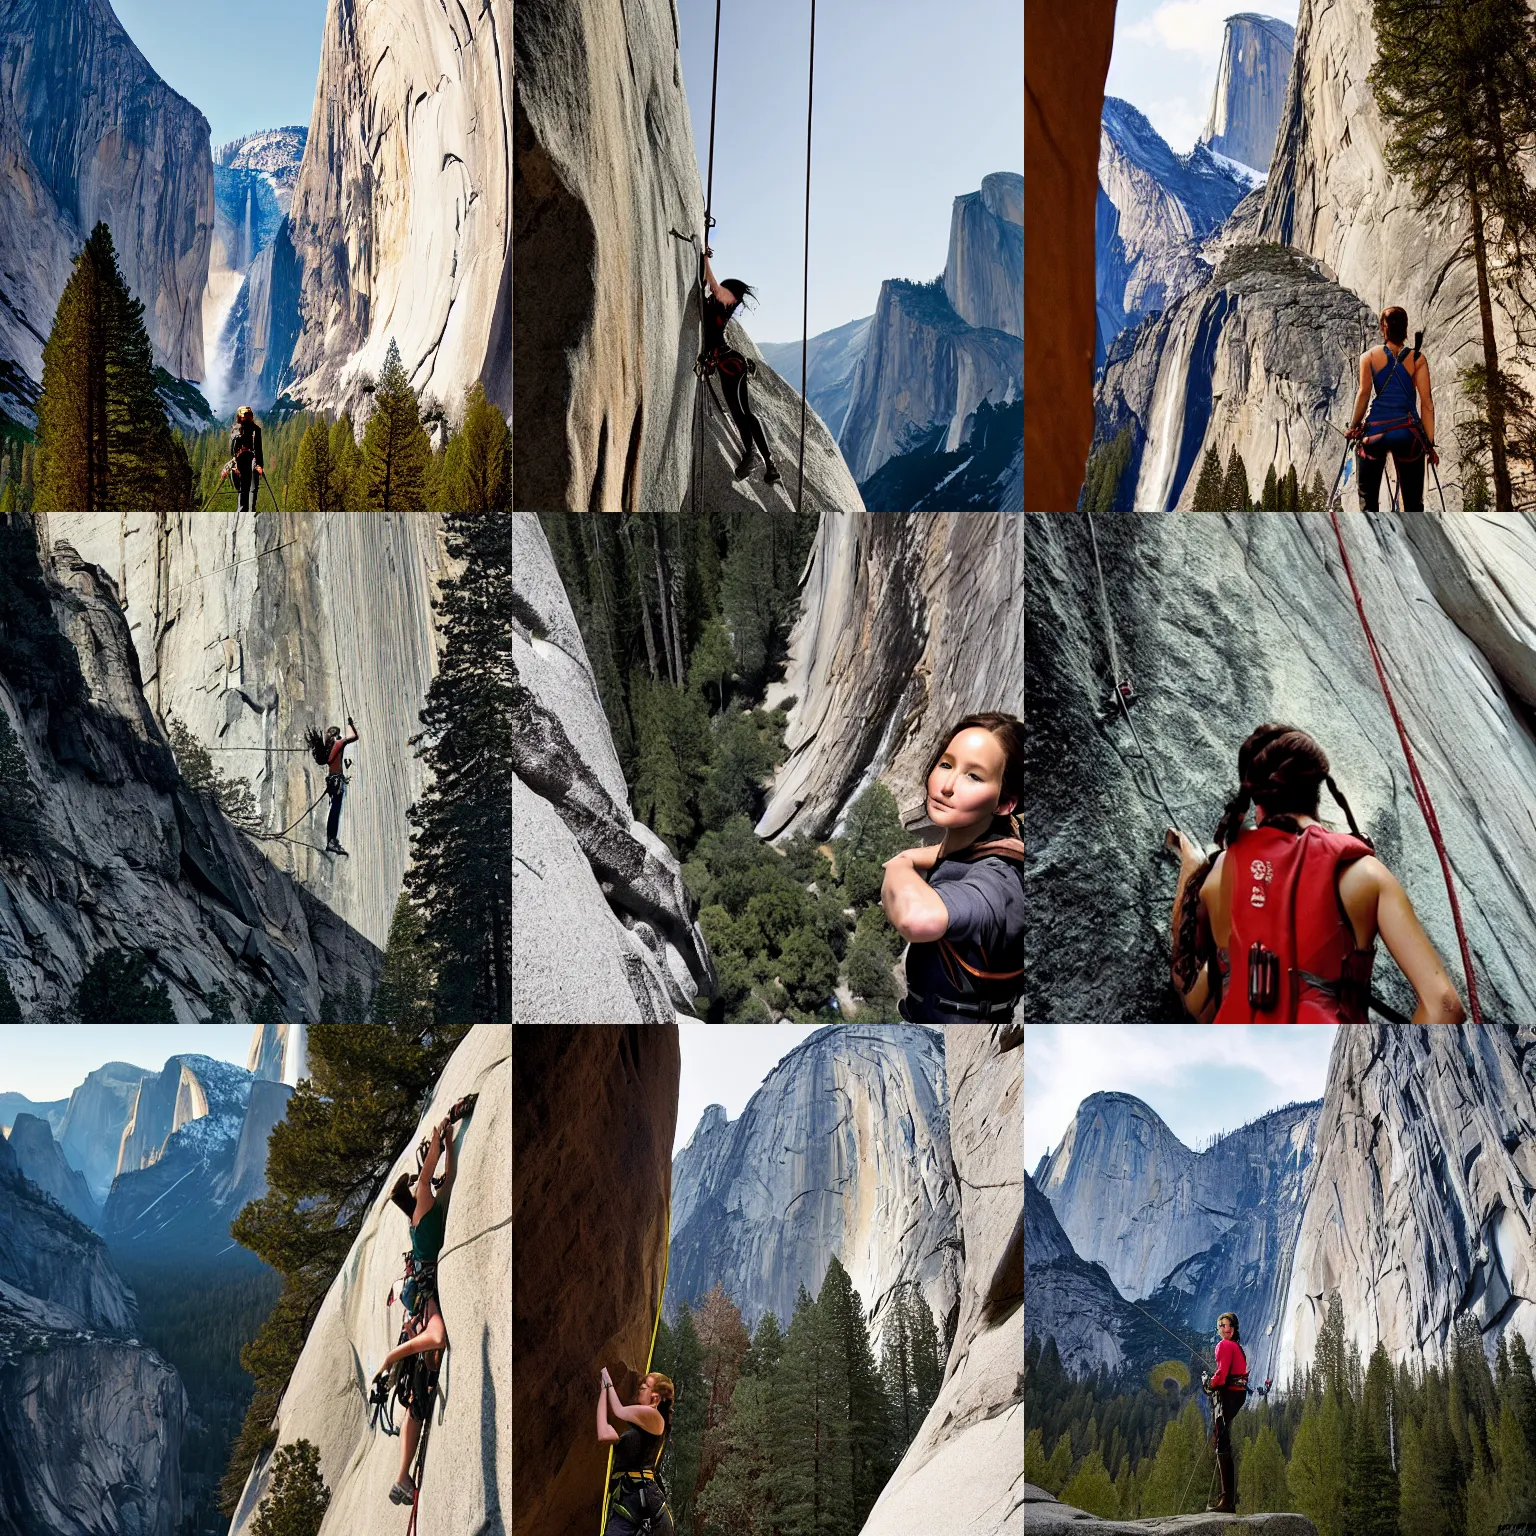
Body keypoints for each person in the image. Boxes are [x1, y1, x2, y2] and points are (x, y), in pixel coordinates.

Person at [1169, 723, 1466, 1023]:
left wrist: (1191, 872)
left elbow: (1191, 992)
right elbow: (1443, 1005)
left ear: (1258, 805)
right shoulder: (1364, 875)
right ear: (1317, 791)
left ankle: (1189, 860)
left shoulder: (1218, 874)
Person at [881, 712, 1024, 1022]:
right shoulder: (981, 845)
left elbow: (917, 919)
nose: (946, 785)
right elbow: (952, 854)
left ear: (1004, 803)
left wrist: (900, 865)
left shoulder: (998, 883)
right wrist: (919, 855)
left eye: (974, 776)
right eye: (946, 765)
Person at [379, 1115, 456, 1507]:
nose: (422, 1189)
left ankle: (401, 1477)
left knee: (416, 1392)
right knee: (434, 1342)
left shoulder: (422, 1215)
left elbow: (444, 1179)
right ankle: (401, 1476)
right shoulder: (423, 1210)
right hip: (425, 1296)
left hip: (418, 1290)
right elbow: (428, 1182)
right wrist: (439, 1139)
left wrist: (448, 1148)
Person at [699, 246, 782, 486]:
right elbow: (708, 284)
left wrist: (705, 259)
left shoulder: (727, 302)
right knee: (743, 412)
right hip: (728, 362)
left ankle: (753, 455)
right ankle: (770, 464)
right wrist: (705, 263)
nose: (721, 293)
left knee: (740, 412)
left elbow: (713, 285)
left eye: (726, 292)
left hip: (730, 363)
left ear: (732, 297)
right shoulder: (720, 303)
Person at [1344, 307, 1437, 511]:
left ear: (1382, 329)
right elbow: (1427, 404)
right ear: (1405, 328)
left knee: (1367, 503)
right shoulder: (1417, 359)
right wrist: (1429, 444)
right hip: (1408, 433)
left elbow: (1364, 394)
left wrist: (1354, 426)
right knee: (1413, 505)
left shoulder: (1368, 357)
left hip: (1374, 434)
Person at [596, 1369, 675, 1536]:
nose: (640, 1389)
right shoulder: (640, 1430)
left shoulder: (655, 1417)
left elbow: (618, 1410)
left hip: (640, 1498)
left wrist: (606, 1377)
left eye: (644, 1387)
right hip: (629, 1497)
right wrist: (603, 1390)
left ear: (655, 1398)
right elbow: (603, 1434)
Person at [1203, 1312, 1249, 1514]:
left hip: (1228, 1395)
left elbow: (1221, 1375)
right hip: (1237, 1394)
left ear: (1234, 1327)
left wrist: (1208, 1384)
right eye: (1221, 1325)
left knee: (1222, 1440)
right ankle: (1227, 1498)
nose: (1224, 1328)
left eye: (1228, 1325)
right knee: (1223, 1440)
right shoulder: (1237, 1346)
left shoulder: (1224, 1345)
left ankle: (1227, 1500)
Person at [316, 717, 358, 855]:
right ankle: (331, 841)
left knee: (334, 810)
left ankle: (331, 840)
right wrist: (350, 724)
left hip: (332, 781)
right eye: (338, 735)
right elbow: (354, 737)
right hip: (337, 781)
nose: (340, 737)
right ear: (334, 737)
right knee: (335, 811)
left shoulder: (329, 750)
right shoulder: (338, 744)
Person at [230, 405, 267, 513]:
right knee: (242, 492)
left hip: (252, 463)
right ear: (240, 416)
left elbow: (258, 449)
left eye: (249, 414)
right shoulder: (236, 430)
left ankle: (250, 515)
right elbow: (232, 451)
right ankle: (241, 517)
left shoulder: (256, 430)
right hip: (240, 464)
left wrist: (259, 465)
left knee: (252, 491)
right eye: (245, 415)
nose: (247, 417)